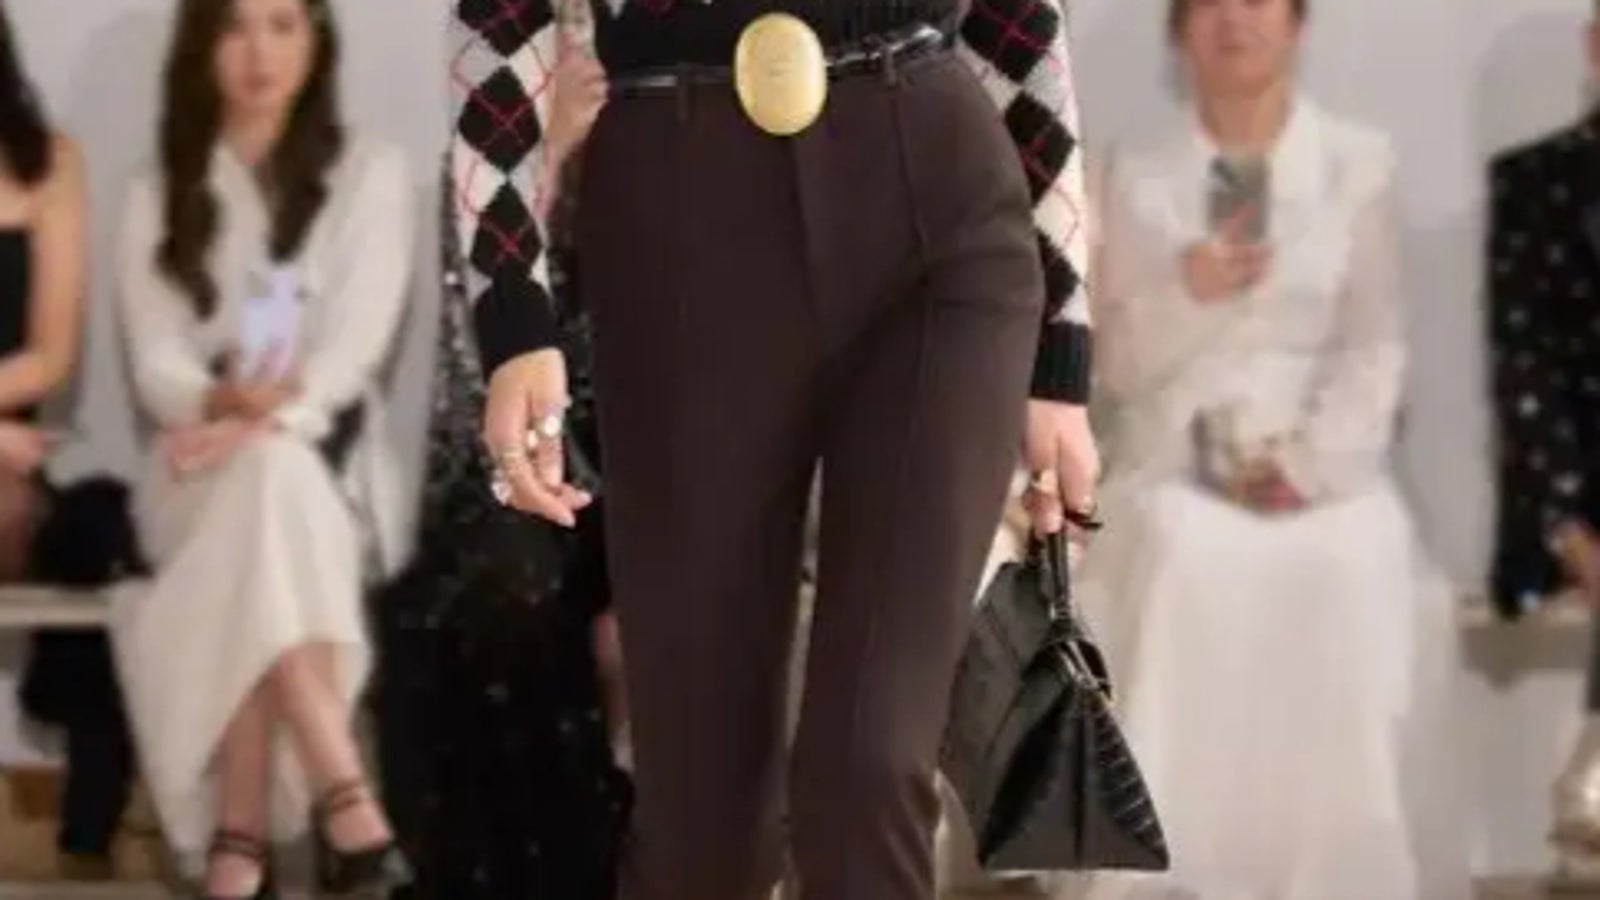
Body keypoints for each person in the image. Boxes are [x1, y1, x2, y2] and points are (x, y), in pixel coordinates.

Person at [450, 1, 1100, 898]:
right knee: (701, 825)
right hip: (677, 220)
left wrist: (1062, 349)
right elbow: (496, 27)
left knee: (868, 769)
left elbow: (1018, 18)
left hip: (934, 208)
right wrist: (511, 311)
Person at [1065, 1, 1467, 898]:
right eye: (1209, 2)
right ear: (1179, 30)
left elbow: (1376, 348)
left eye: (1257, 0)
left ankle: (1339, 869)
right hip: (1175, 456)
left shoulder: (1357, 164)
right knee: (1180, 552)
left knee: (1350, 558)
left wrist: (1308, 467)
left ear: (1295, 24)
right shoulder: (1131, 170)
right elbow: (1115, 365)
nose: (1233, 20)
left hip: (1324, 465)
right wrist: (1187, 289)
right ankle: (1170, 869)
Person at [108, 0, 414, 897]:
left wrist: (273, 419)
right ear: (202, 44)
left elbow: (357, 347)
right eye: (235, 27)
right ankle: (343, 792)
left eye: (283, 24)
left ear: (317, 41)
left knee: (269, 483)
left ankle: (238, 835)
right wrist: (219, 400)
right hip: (194, 466)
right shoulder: (159, 188)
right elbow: (155, 360)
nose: (259, 52)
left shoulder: (370, 173)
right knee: (256, 500)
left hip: (329, 468)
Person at [367, 172, 631, 900]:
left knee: (528, 580)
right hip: (499, 483)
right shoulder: (475, 191)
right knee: (491, 589)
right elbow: (462, 389)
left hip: (643, 492)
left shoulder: (663, 169)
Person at [0, 0, 132, 879]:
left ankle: (89, 828)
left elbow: (50, 355)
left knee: (91, 527)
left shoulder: (48, 163)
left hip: (10, 463)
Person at [1486, 5, 1600, 886]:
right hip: (1572, 500)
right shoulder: (1534, 181)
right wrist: (1570, 532)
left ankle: (1591, 777)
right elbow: (1525, 375)